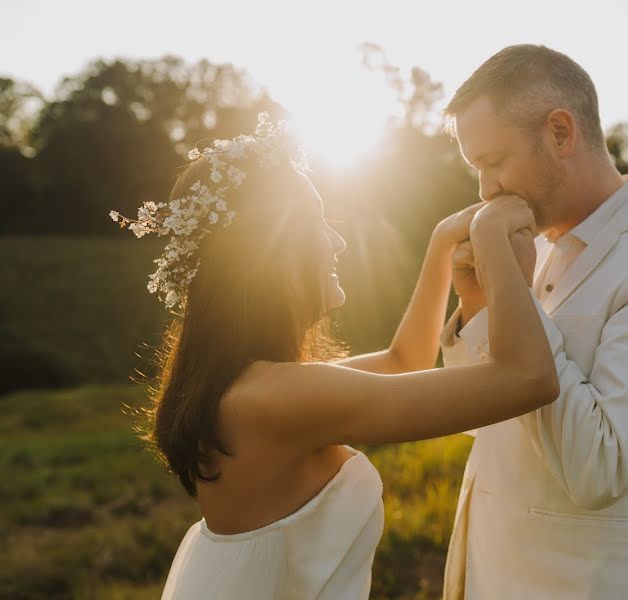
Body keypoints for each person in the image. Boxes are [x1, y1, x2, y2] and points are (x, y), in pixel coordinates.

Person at [110, 113, 558, 599]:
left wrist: (440, 245)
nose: (339, 240)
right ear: (272, 254)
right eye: (319, 223)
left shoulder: (251, 386)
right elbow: (529, 377)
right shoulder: (279, 397)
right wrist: (494, 244)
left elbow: (403, 363)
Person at [438, 45, 628, 599]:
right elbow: (490, 423)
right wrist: (481, 305)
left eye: (494, 161)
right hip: (492, 575)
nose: (485, 190)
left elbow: (601, 466)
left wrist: (513, 300)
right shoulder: (537, 246)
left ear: (559, 133)